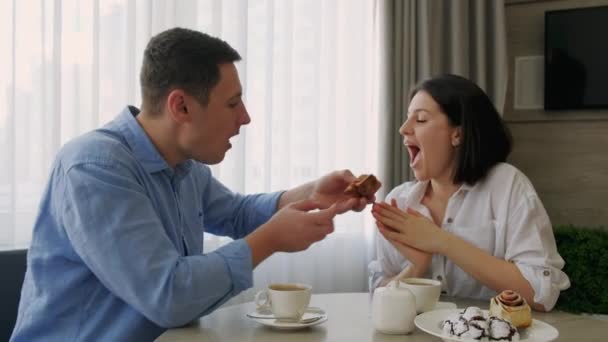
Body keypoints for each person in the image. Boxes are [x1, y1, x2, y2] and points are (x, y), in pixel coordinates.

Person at [11, 28, 373, 341]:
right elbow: (169, 296)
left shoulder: (184, 166)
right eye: (232, 103)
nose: (245, 118)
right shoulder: (95, 168)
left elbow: (236, 213)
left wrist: (309, 194)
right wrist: (272, 239)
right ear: (181, 106)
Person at [368, 74, 570, 312]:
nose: (403, 129)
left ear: (458, 134)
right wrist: (415, 269)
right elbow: (379, 294)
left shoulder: (507, 185)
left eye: (420, 119)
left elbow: (540, 292)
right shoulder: (399, 201)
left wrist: (442, 241)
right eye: (407, 118)